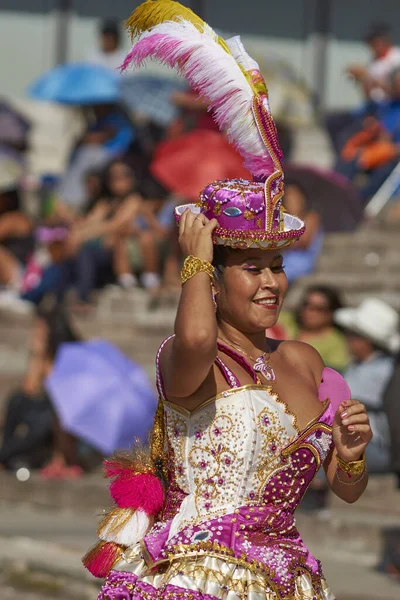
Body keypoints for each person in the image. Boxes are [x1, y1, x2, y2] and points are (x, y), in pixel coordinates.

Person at [84, 5, 373, 598]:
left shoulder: (306, 361)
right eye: (250, 269)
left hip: (291, 580)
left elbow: (345, 490)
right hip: (199, 576)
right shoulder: (191, 359)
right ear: (210, 282)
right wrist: (194, 253)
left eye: (277, 266)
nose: (271, 282)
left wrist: (350, 456)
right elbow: (193, 336)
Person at [0, 304, 82, 475]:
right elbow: (29, 389)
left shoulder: (68, 358)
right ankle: (7, 454)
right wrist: (36, 356)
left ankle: (6, 455)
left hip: (59, 421)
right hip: (41, 417)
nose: (35, 334)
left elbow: (61, 396)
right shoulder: (40, 357)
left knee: (43, 419)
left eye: (40, 330)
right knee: (17, 400)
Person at [335, 298, 400, 474]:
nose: (347, 339)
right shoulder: (362, 365)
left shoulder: (379, 370)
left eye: (352, 334)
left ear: (366, 341)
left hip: (374, 446)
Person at [326, 23, 400, 155]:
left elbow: (395, 91)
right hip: (371, 106)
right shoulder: (374, 60)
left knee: (347, 134)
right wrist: (362, 80)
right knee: (332, 120)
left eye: (373, 42)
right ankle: (343, 162)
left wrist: (369, 77)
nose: (371, 47)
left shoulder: (396, 58)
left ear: (383, 41)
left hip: (389, 108)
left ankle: (348, 164)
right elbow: (369, 94)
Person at [279, 285, 349, 373]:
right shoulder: (287, 319)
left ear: (331, 313)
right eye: (306, 304)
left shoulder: (335, 343)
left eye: (318, 308)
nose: (309, 311)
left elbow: (333, 372)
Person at [281, 180, 324, 284]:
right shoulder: (282, 218)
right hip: (284, 259)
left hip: (301, 262)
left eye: (295, 196)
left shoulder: (311, 217)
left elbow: (302, 241)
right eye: (289, 197)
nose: (293, 200)